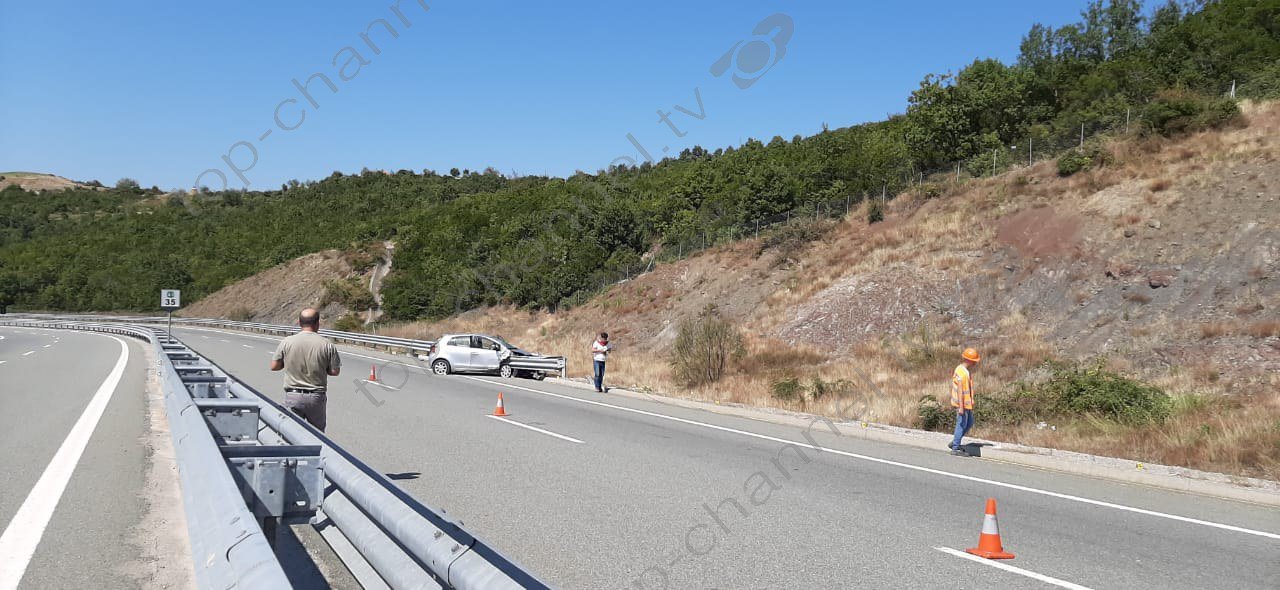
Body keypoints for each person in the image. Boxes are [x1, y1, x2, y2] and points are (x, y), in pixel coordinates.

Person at [270, 308, 341, 431]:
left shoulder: (287, 342)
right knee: (317, 435)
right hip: (316, 397)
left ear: (299, 323)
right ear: (318, 323)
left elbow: (274, 366)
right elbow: (335, 371)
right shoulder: (327, 344)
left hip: (293, 395)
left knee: (292, 433)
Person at [949, 347, 980, 455]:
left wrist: (971, 400)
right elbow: (960, 391)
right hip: (962, 404)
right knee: (961, 425)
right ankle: (955, 447)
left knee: (969, 423)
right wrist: (961, 407)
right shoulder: (962, 373)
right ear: (970, 360)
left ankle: (955, 441)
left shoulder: (962, 370)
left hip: (966, 404)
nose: (975, 363)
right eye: (974, 361)